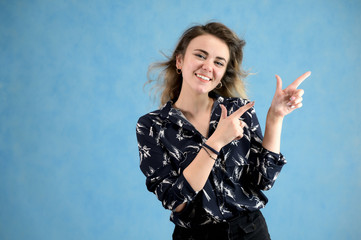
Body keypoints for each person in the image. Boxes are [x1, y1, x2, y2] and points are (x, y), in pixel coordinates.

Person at [136, 22, 310, 240]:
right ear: (180, 60)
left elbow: (262, 180)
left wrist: (275, 118)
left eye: (218, 62)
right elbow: (175, 200)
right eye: (200, 55)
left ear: (223, 72)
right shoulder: (152, 126)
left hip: (250, 232)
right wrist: (216, 141)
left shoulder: (239, 111)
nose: (208, 66)